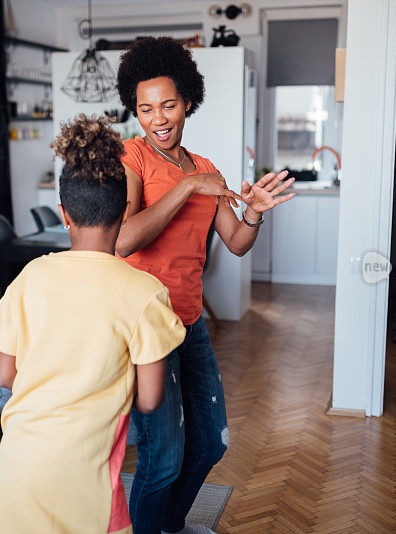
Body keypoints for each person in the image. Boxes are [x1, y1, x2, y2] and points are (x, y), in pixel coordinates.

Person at [114, 37, 295, 534]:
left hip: (189, 324)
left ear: (187, 101)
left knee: (211, 443)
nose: (158, 118)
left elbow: (236, 243)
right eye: (145, 108)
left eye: (168, 105)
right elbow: (123, 240)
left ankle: (165, 526)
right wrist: (185, 187)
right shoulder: (131, 158)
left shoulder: (206, 170)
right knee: (164, 456)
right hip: (146, 331)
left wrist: (254, 212)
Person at [0, 115, 186, 534]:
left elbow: (6, 374)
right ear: (126, 210)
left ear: (63, 214)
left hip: (19, 463)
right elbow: (150, 399)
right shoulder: (144, 292)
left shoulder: (29, 277)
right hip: (87, 472)